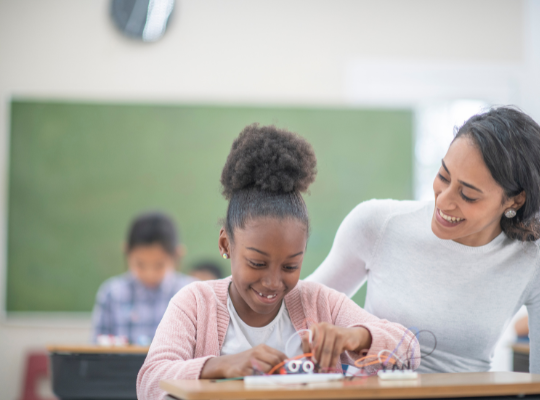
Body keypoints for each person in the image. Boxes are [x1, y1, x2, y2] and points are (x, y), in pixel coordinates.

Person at [137, 125, 419, 399]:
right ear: (226, 244)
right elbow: (150, 382)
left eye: (290, 266)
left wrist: (358, 338)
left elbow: (409, 349)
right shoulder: (195, 303)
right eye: (257, 263)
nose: (273, 282)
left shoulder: (319, 303)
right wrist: (221, 365)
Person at [307, 107, 540, 376]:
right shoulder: (377, 223)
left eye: (468, 195)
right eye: (443, 176)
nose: (443, 200)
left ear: (515, 200)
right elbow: (298, 307)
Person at [91, 212, 194, 345]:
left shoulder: (191, 293)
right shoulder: (112, 293)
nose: (149, 274)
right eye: (140, 264)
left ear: (177, 255)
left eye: (159, 265)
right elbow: (96, 348)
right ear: (126, 252)